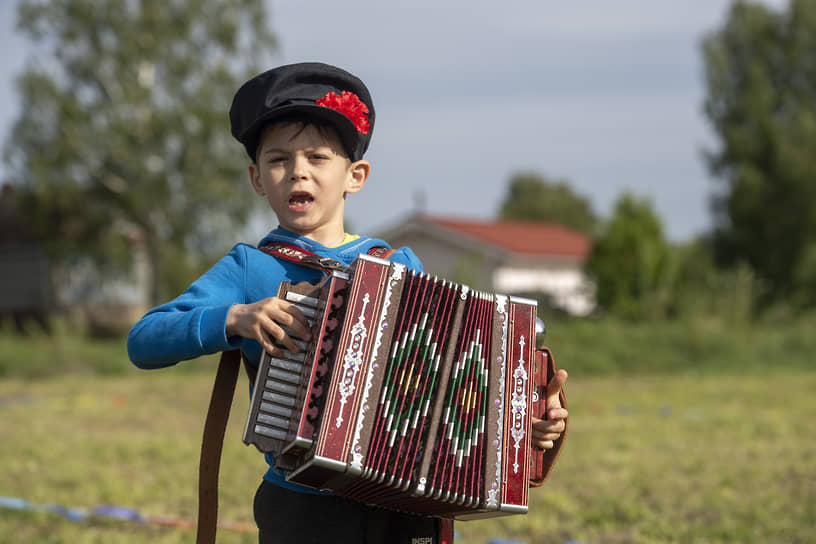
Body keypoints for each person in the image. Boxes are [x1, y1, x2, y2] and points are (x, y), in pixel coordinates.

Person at [127, 62, 568, 544]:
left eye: (317, 157)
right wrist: (234, 317)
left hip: (407, 503)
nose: (298, 171)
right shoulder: (249, 269)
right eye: (278, 160)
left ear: (354, 176)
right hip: (302, 508)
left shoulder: (398, 262)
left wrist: (527, 425)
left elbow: (451, 382)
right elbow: (144, 340)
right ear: (257, 178)